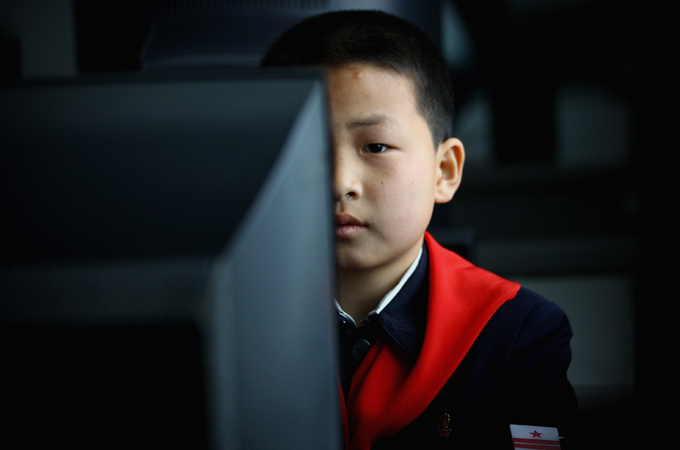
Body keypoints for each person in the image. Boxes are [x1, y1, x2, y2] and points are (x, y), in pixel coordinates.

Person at [262, 10, 577, 450]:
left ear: (444, 171)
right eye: (309, 146)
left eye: (375, 146)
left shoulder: (517, 332)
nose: (340, 182)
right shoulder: (234, 322)